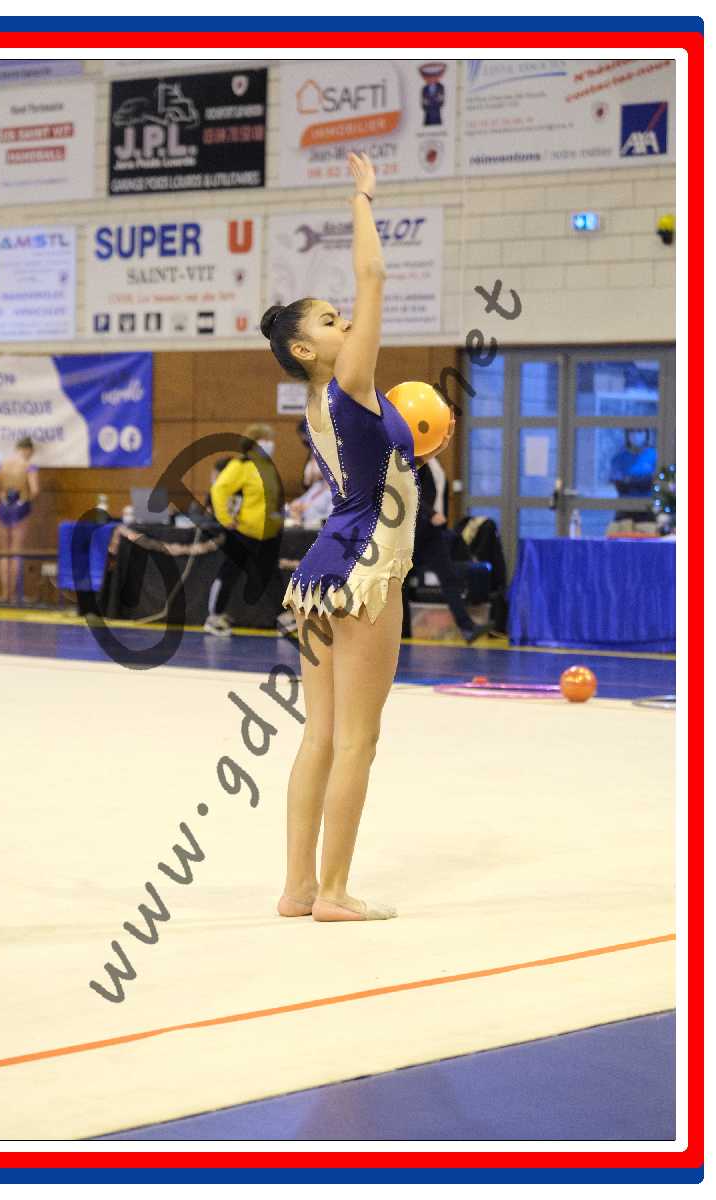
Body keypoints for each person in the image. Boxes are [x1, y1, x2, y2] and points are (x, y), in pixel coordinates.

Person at [263, 151, 454, 923]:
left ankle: (298, 887)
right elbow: (373, 278)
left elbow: (382, 466)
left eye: (341, 318)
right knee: (356, 742)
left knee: (319, 736)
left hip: (320, 568)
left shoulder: (320, 406)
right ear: (306, 351)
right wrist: (363, 199)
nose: (346, 322)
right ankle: (335, 893)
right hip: (366, 571)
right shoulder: (349, 384)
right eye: (330, 321)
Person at [203, 424, 284, 637]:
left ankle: (284, 617)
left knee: (271, 574)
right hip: (243, 531)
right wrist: (225, 518)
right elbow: (219, 490)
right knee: (229, 573)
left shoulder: (268, 467)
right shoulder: (240, 466)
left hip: (267, 532)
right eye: (266, 440)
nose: (270, 444)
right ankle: (214, 616)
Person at [404, 459, 491, 645]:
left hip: (433, 532)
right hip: (414, 530)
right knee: (401, 580)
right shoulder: (415, 460)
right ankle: (402, 631)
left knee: (448, 577)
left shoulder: (435, 464)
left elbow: (436, 494)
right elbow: (408, 492)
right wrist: (430, 513)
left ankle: (467, 627)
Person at [0, 437, 40, 603]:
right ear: (29, 450)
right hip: (20, 508)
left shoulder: (2, 463)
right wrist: (25, 499)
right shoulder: (29, 466)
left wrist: (1, 495)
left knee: (4, 551)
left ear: (17, 448)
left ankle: (4, 593)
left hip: (4, 506)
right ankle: (12, 594)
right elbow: (35, 490)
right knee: (16, 551)